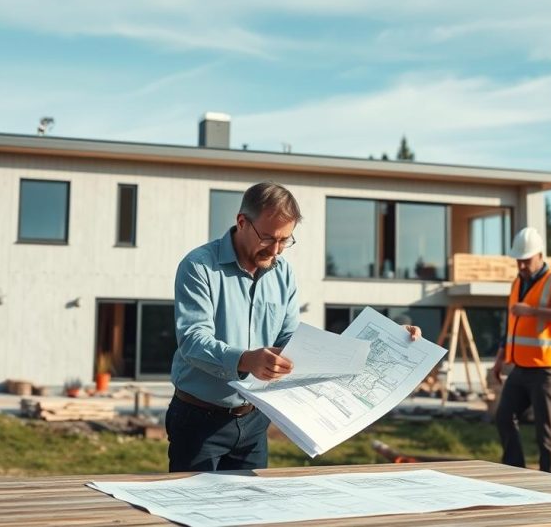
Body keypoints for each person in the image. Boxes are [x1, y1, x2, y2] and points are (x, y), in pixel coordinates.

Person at [168, 182, 421, 472]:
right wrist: (247, 360)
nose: (276, 250)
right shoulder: (199, 267)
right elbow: (192, 341)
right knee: (193, 514)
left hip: (254, 422)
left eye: (285, 240)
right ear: (241, 222)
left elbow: (290, 338)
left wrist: (389, 340)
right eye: (268, 238)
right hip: (199, 419)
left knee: (249, 513)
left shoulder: (283, 271)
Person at [491, 227, 551, 474]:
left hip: (548, 368)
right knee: (504, 416)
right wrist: (499, 360)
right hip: (520, 367)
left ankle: (548, 480)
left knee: (546, 430)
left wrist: (532, 311)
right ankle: (515, 472)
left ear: (540, 255)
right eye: (518, 260)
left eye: (526, 260)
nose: (521, 266)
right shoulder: (517, 283)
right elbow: (510, 327)